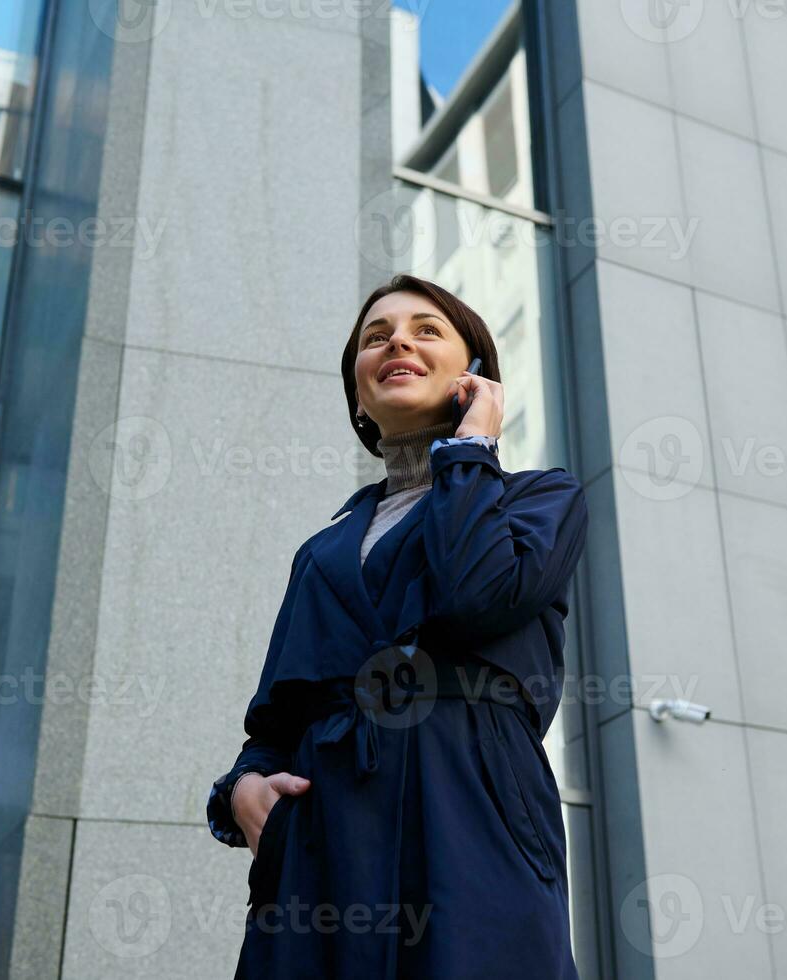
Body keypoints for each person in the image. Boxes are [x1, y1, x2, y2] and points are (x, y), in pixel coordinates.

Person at [206, 273, 589, 979]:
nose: (396, 342)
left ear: (475, 376)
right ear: (359, 393)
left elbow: (475, 594)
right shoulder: (321, 553)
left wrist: (469, 450)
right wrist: (241, 789)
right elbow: (273, 723)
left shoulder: (540, 500)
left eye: (425, 330)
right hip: (322, 852)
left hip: (471, 818)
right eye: (375, 337)